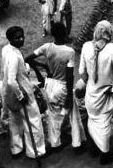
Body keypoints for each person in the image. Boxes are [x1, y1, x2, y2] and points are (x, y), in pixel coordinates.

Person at [26, 22, 85, 151]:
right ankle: (77, 142)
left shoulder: (47, 47)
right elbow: (69, 76)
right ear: (65, 33)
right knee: (73, 115)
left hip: (50, 85)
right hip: (63, 86)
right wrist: (69, 96)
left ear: (53, 34)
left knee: (53, 116)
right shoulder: (69, 52)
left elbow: (27, 58)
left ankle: (55, 143)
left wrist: (42, 66)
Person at [79, 20, 113, 161]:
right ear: (109, 33)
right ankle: (104, 153)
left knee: (92, 121)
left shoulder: (86, 46)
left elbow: (81, 72)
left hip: (90, 95)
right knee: (104, 124)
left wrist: (91, 82)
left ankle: (93, 149)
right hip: (104, 96)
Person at [1, 26, 46, 159]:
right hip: (22, 92)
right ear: (10, 39)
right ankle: (36, 151)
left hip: (9, 93)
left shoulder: (6, 49)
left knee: (15, 121)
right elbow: (11, 80)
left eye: (22, 37)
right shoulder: (14, 56)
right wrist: (21, 95)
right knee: (34, 121)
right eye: (17, 38)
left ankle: (16, 149)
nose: (21, 40)